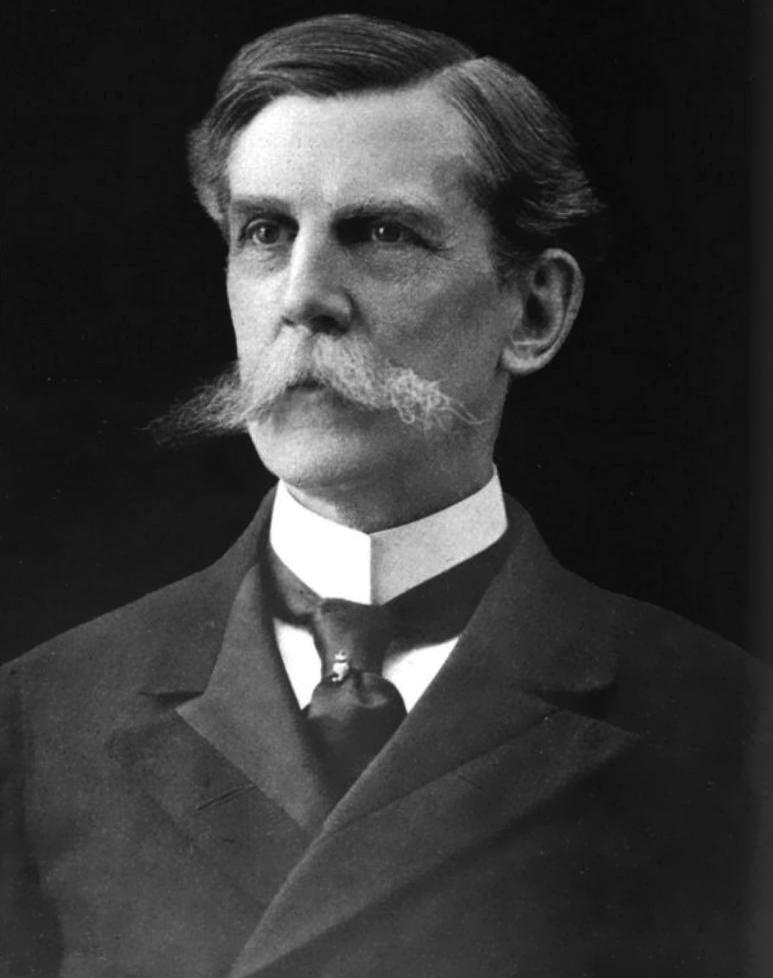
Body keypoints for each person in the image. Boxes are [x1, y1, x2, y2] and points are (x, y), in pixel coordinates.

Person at [0, 13, 767, 978]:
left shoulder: (724, 727)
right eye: (266, 233)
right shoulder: (43, 717)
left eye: (381, 233)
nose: (303, 295)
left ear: (532, 311)